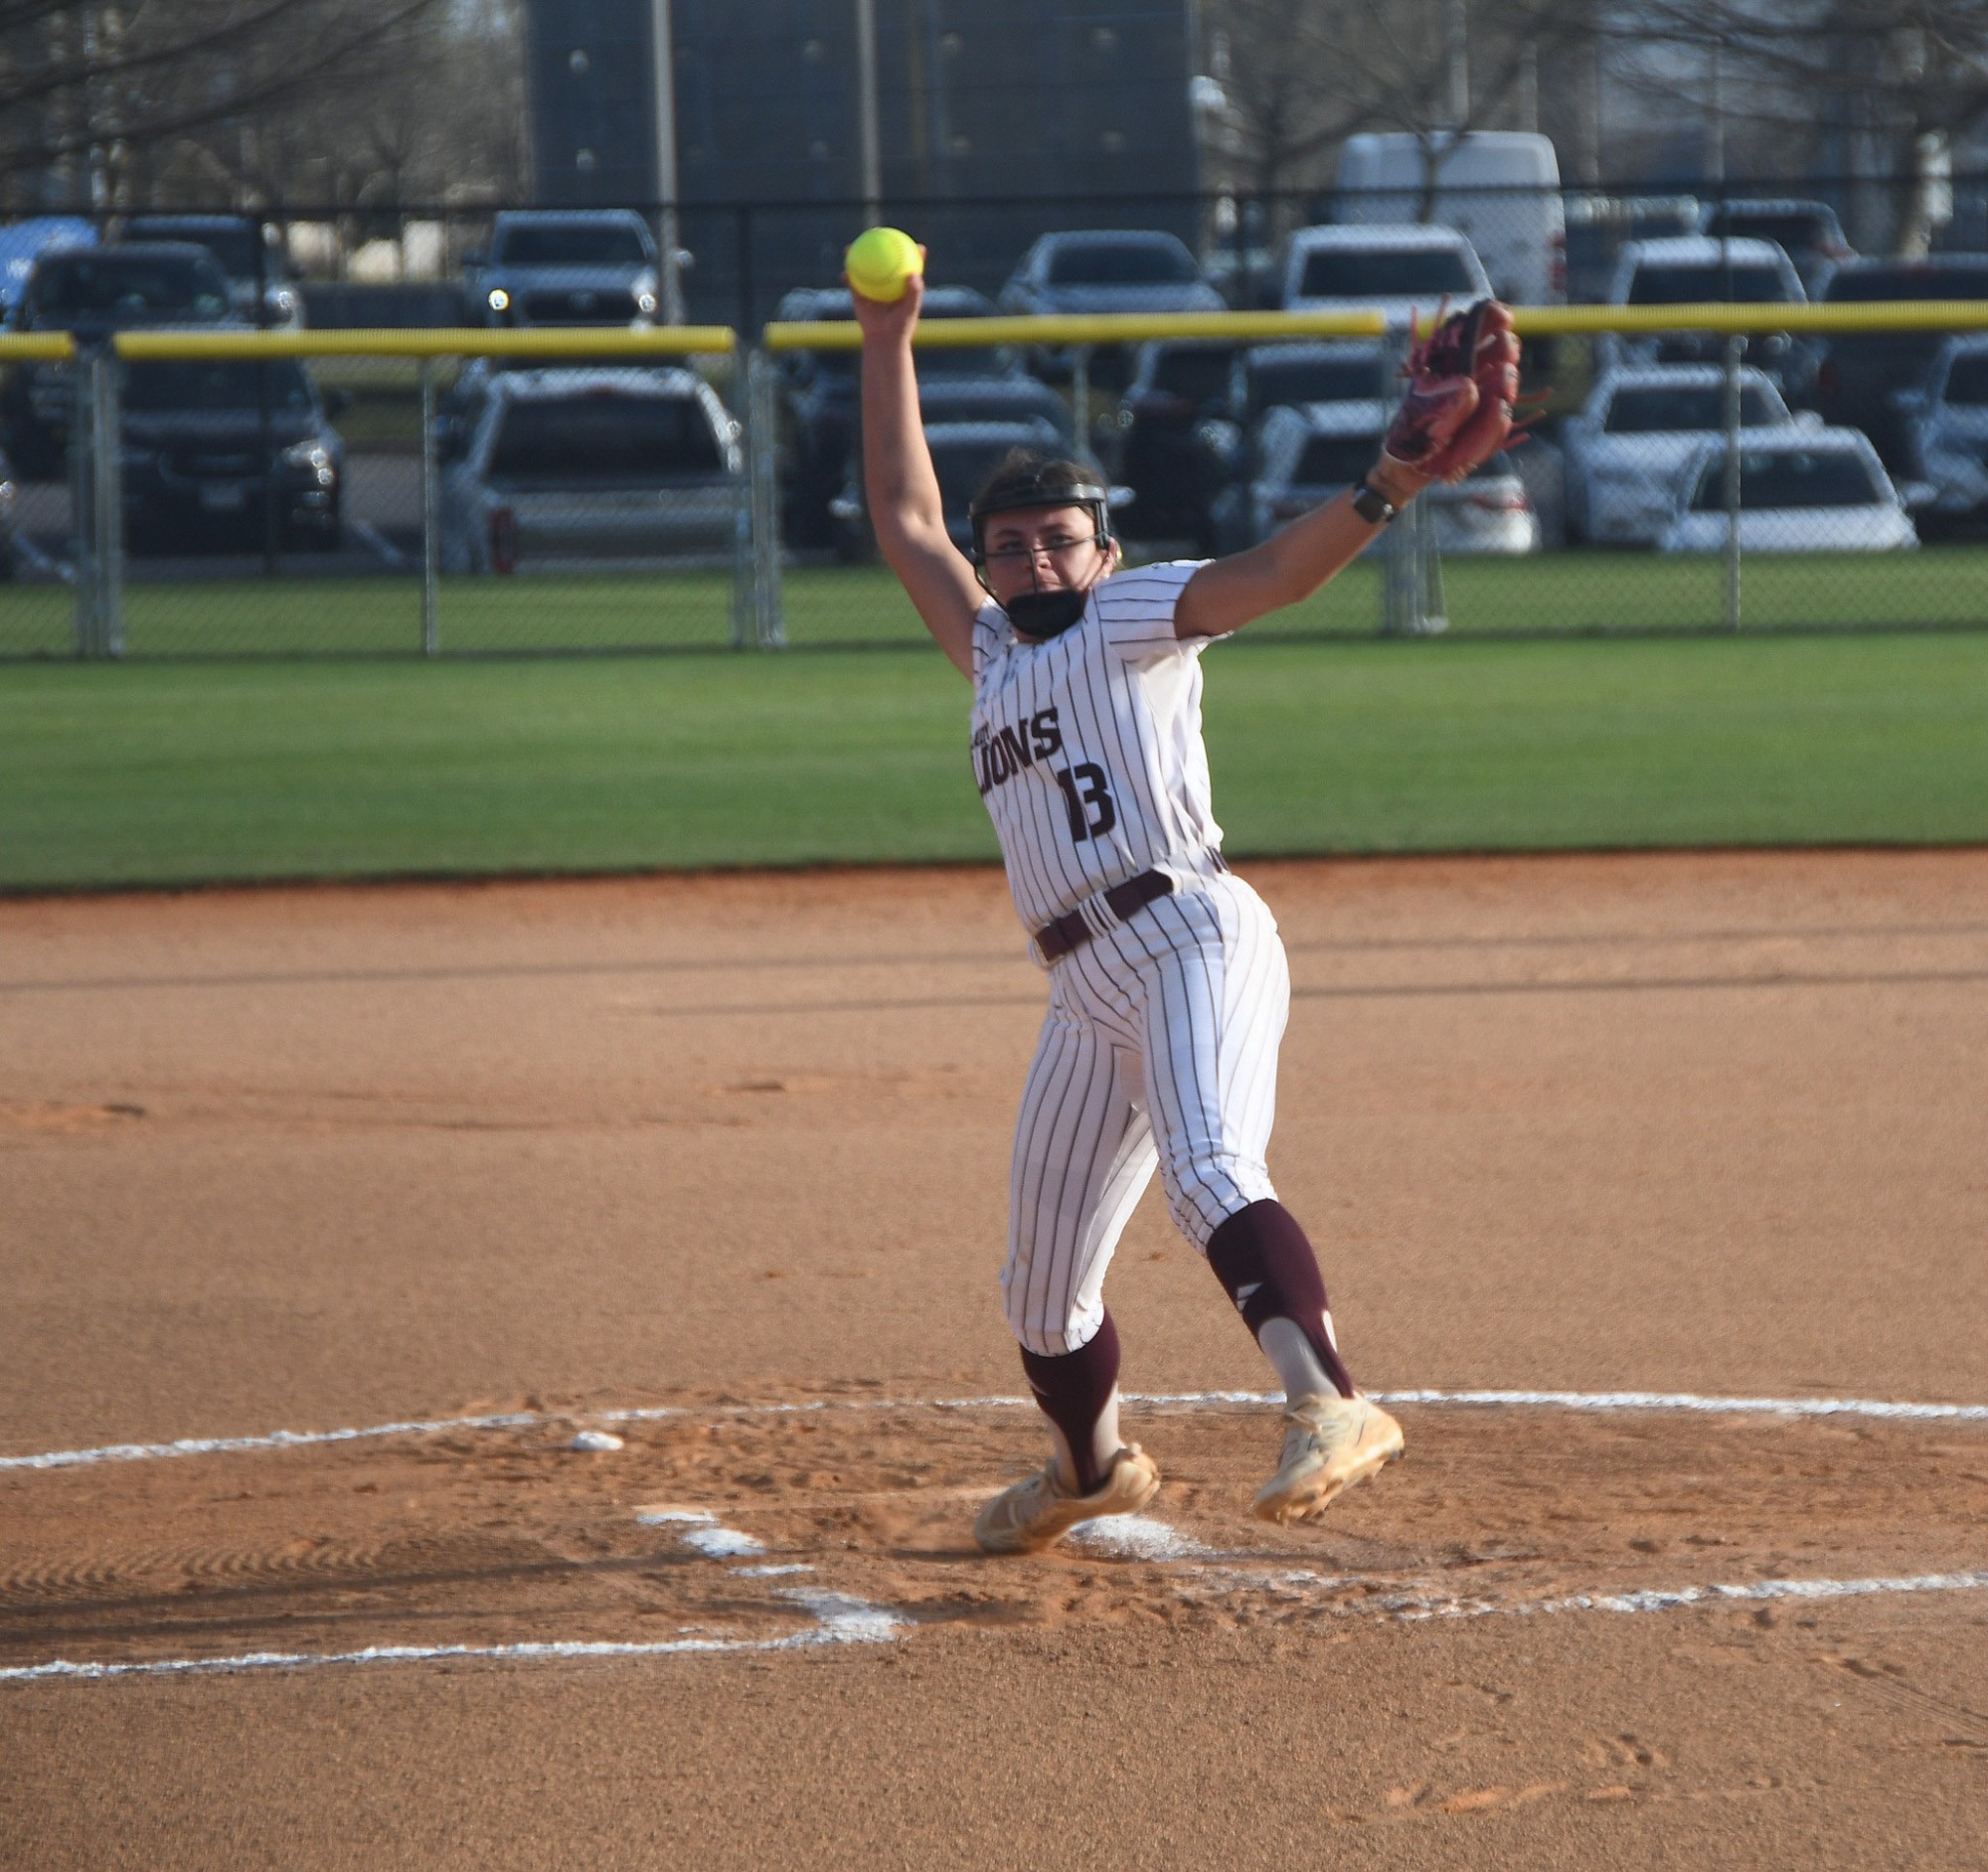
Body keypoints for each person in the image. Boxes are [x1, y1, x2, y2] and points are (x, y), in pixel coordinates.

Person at [851, 263, 1522, 1554]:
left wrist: (1384, 483)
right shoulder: (990, 652)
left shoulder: (1134, 615)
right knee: (1042, 1292)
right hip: (1081, 985)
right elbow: (900, 511)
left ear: (1103, 552)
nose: (1035, 554)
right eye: (1013, 543)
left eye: (1061, 537)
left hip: (1188, 933)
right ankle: (1091, 1471)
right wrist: (891, 336)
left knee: (1212, 1167)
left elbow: (1275, 572)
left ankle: (1329, 1402)